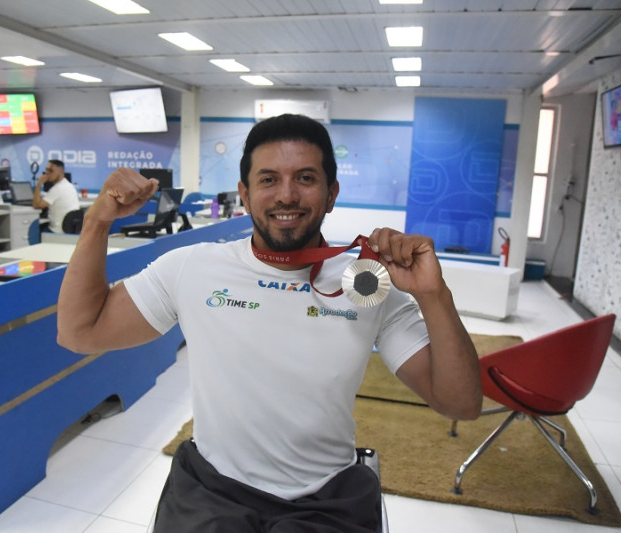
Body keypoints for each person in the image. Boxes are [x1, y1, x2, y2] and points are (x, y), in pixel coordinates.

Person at [57, 114, 481, 532]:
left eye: (306, 178)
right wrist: (97, 222)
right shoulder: (194, 268)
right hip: (212, 492)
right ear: (244, 193)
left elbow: (460, 403)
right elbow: (79, 333)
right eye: (268, 180)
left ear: (332, 193)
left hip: (326, 500)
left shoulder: (366, 284)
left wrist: (433, 295)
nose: (286, 195)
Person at [33, 159, 80, 232]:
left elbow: (37, 205)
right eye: (46, 170)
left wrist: (39, 183)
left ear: (61, 172)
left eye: (51, 171)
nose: (47, 173)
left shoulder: (57, 189)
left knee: (34, 229)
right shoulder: (70, 186)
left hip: (56, 230)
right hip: (69, 230)